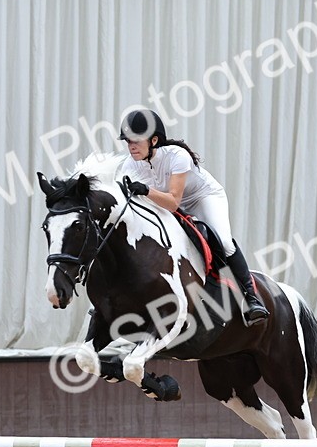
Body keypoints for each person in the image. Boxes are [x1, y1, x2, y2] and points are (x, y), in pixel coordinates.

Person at [115, 109, 269, 326]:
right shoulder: (129, 166)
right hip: (165, 203)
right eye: (128, 141)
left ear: (154, 140)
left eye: (136, 141)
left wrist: (146, 191)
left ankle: (252, 298)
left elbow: (174, 202)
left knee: (223, 241)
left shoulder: (177, 156)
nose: (131, 146)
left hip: (202, 198)